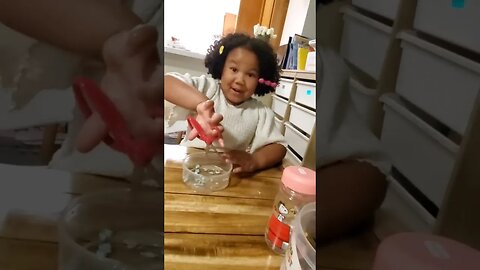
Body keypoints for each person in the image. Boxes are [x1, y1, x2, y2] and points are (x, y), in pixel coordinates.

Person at [164, 33, 287, 175]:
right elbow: (166, 83)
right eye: (234, 69)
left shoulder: (260, 112)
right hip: (188, 168)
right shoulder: (208, 88)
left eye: (250, 74)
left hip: (227, 174)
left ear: (260, 79)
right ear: (222, 67)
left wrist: (255, 160)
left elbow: (279, 147)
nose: (240, 80)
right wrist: (202, 105)